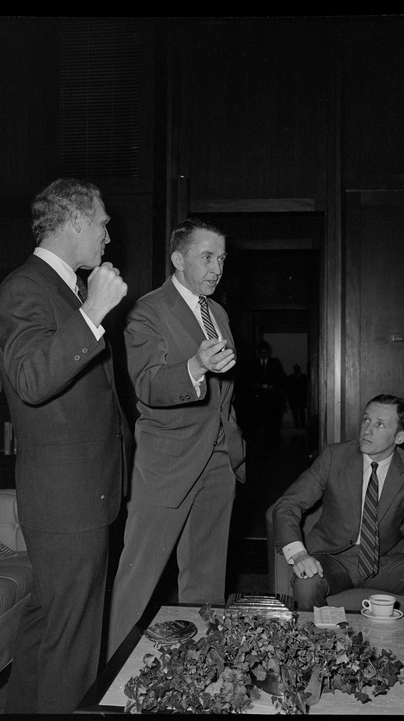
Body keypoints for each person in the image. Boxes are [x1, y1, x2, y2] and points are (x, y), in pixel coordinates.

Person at [0, 177, 129, 713]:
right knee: (73, 644)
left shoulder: (66, 288)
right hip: (66, 499)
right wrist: (92, 313)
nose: (107, 236)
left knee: (48, 624)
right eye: (101, 223)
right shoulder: (24, 289)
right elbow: (30, 378)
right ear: (73, 221)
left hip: (82, 492)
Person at [106, 218, 246, 657]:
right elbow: (148, 384)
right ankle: (111, 679)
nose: (217, 267)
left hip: (218, 459)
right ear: (178, 258)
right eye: (208, 256)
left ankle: (199, 671)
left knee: (206, 580)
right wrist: (196, 367)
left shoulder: (217, 312)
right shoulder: (147, 310)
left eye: (222, 258)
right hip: (167, 463)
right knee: (139, 578)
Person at [272, 394, 404, 627]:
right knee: (308, 582)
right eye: (366, 419)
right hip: (334, 559)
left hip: (386, 561)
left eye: (380, 424)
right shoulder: (335, 457)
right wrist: (299, 554)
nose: (367, 429)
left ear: (400, 437)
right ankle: (318, 653)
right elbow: (288, 505)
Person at [250, 340, 286, 447]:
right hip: (258, 402)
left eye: (265, 352)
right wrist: (259, 386)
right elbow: (248, 381)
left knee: (272, 426)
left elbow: (280, 380)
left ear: (268, 352)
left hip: (272, 401)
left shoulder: (275, 363)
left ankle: (272, 446)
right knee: (258, 426)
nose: (263, 355)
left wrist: (272, 387)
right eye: (261, 353)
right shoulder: (253, 364)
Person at [285, 364, 309, 428]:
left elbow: (306, 387)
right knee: (295, 412)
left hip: (301, 397)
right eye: (296, 369)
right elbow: (288, 387)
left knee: (301, 412)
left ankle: (302, 424)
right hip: (294, 397)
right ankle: (297, 425)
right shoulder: (291, 377)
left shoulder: (303, 377)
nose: (297, 370)